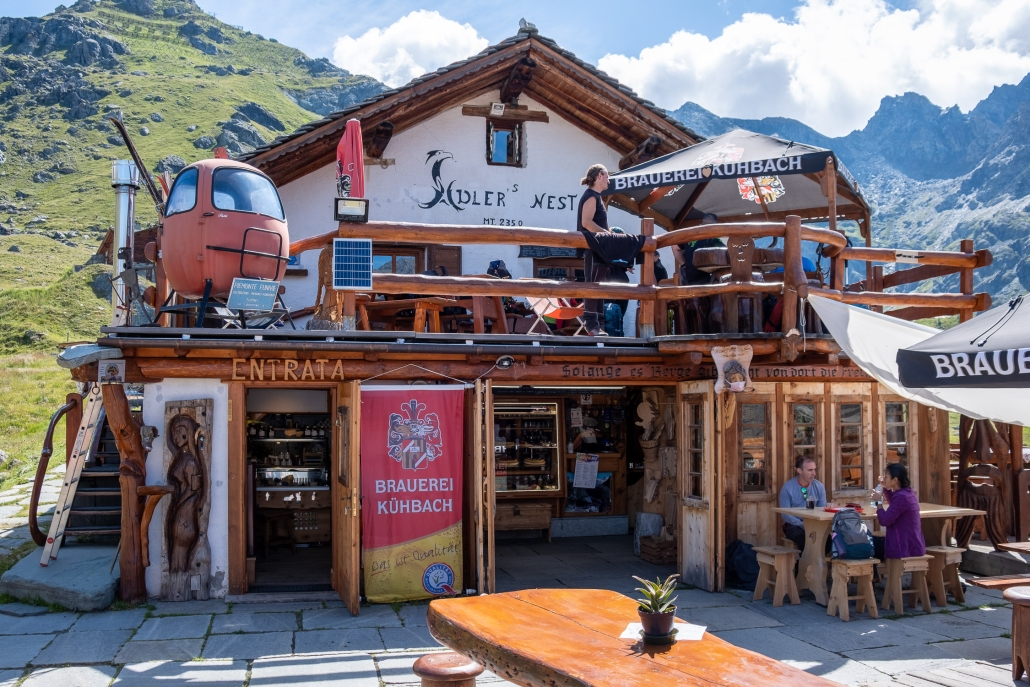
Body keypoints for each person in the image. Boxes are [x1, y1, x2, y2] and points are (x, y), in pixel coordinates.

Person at [577, 164, 611, 336]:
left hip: (599, 248)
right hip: (593, 247)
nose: (609, 181)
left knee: (598, 285)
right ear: (600, 176)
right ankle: (592, 326)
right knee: (592, 284)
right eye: (607, 177)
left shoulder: (595, 196)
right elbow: (586, 222)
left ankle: (598, 326)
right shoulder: (591, 196)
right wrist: (607, 234)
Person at [873, 462, 925, 561]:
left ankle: (874, 576)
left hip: (902, 547)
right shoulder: (908, 493)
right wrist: (884, 487)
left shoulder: (901, 497)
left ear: (895, 480)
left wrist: (878, 501)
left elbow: (884, 520)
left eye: (886, 477)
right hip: (913, 544)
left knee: (869, 545)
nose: (884, 479)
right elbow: (894, 505)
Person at [778, 456, 827, 551]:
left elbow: (822, 509)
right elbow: (785, 514)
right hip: (794, 525)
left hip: (814, 524)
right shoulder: (788, 487)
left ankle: (817, 564)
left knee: (828, 541)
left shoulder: (819, 486)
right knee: (805, 540)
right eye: (810, 470)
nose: (814, 473)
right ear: (799, 471)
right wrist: (801, 525)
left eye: (814, 469)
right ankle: (802, 565)